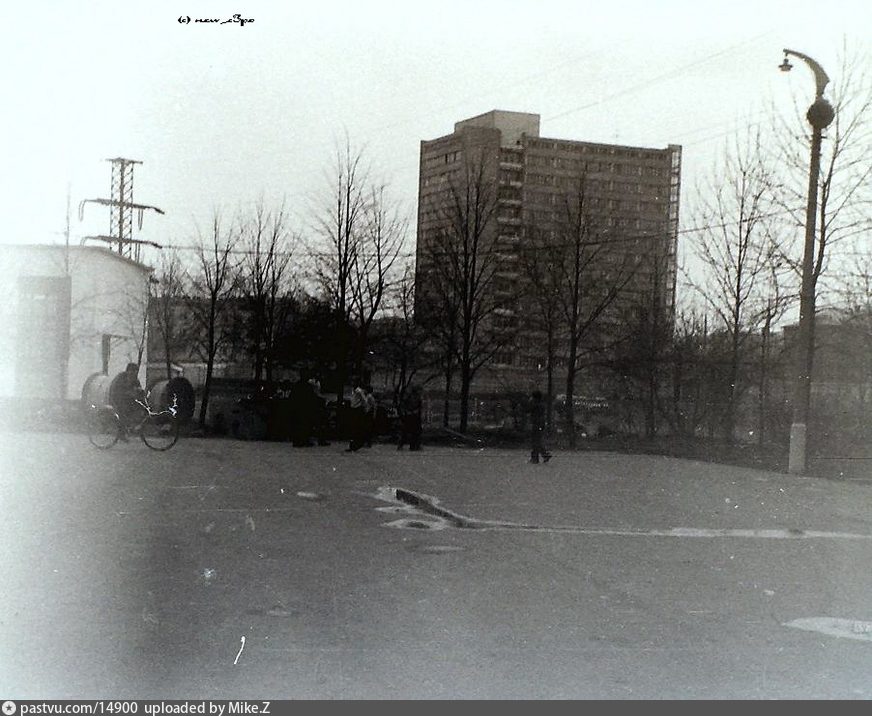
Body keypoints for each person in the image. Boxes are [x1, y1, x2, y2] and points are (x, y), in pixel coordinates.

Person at [108, 362, 146, 441]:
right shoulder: (121, 378)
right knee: (123, 412)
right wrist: (128, 392)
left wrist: (140, 392)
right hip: (117, 398)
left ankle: (138, 427)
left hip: (127, 399)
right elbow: (116, 390)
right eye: (132, 371)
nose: (134, 373)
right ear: (128, 371)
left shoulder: (135, 379)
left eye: (135, 371)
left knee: (142, 407)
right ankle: (122, 433)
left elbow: (138, 389)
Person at [528, 390, 552, 464]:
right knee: (537, 441)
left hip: (537, 424)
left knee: (535, 441)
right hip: (540, 424)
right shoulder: (541, 405)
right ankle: (544, 455)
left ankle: (536, 457)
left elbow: (529, 409)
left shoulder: (536, 405)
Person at [308, 372, 330, 446]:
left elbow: (318, 392)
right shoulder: (311, 382)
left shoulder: (318, 382)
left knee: (320, 423)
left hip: (317, 400)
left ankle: (321, 439)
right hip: (313, 401)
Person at [397, 385, 423, 451]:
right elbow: (403, 405)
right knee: (405, 431)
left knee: (416, 432)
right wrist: (406, 412)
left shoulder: (418, 398)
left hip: (415, 417)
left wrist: (417, 412)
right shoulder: (409, 397)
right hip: (409, 416)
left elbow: (420, 407)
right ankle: (401, 445)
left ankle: (413, 446)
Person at [345, 380, 367, 452]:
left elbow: (364, 400)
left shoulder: (359, 391)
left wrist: (362, 406)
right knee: (352, 427)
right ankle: (352, 445)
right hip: (353, 409)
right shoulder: (353, 390)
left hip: (357, 409)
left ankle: (355, 444)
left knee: (356, 427)